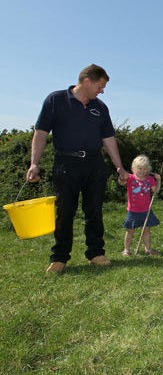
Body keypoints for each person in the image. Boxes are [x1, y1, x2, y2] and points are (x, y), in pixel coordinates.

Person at [26, 64, 129, 273]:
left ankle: (96, 253)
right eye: (100, 87)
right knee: (65, 212)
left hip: (94, 163)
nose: (102, 92)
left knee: (94, 210)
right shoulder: (55, 100)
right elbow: (41, 133)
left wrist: (120, 167)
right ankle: (59, 258)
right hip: (66, 164)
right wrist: (34, 163)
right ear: (86, 81)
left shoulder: (100, 107)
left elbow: (108, 139)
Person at [119, 155, 161, 256]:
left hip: (146, 210)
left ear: (148, 169)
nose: (142, 171)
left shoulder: (149, 179)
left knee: (146, 230)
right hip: (133, 211)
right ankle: (126, 250)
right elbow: (121, 183)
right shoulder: (130, 178)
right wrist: (121, 178)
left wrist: (159, 180)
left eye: (145, 168)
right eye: (140, 168)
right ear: (133, 169)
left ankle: (148, 249)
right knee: (130, 230)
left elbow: (155, 191)